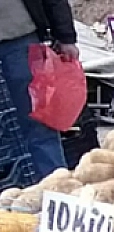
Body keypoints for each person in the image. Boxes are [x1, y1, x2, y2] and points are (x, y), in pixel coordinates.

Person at [0, 0, 76, 184]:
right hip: (18, 39)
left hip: (19, 38)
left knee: (39, 122)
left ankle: (58, 188)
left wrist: (65, 36)